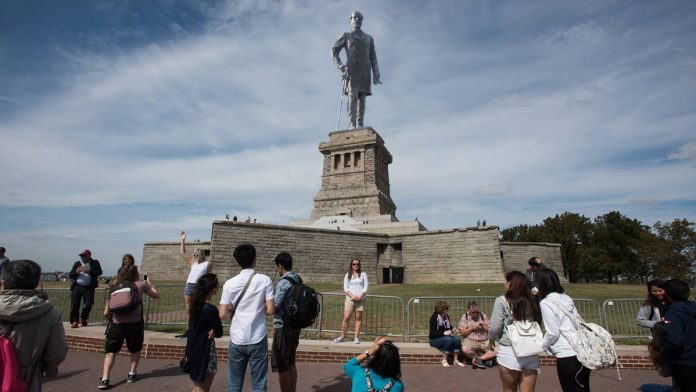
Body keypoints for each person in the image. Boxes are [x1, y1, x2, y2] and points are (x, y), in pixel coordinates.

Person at [0, 259, 67, 391]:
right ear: (36, 282)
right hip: (26, 378)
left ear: (4, 280)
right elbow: (57, 353)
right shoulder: (49, 312)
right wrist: (40, 367)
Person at [218, 244, 274, 392]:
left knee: (234, 385)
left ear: (237, 262)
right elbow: (270, 310)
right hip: (258, 336)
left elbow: (222, 314)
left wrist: (233, 311)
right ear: (254, 259)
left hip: (237, 337)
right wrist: (258, 306)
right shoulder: (265, 280)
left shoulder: (229, 284)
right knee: (259, 385)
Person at [99, 264, 159, 389]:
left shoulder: (114, 288)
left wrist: (112, 320)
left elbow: (106, 312)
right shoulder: (140, 285)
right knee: (135, 349)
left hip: (116, 324)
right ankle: (131, 374)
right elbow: (155, 295)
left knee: (111, 352)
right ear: (135, 274)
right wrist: (149, 283)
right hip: (135, 324)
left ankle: (105, 378)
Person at [535, 267, 591, 392]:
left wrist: (543, 346)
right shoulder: (566, 298)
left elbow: (552, 332)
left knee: (570, 388)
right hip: (582, 351)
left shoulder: (546, 302)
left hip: (566, 354)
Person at [489, 271, 540, 392]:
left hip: (510, 348)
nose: (504, 284)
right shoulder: (531, 300)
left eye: (506, 281)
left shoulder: (501, 300)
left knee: (509, 388)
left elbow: (495, 326)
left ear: (511, 284)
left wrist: (491, 340)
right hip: (529, 348)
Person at [331, 11, 381, 129]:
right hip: (351, 70)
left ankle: (360, 123)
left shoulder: (369, 38)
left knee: (362, 97)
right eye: (354, 17)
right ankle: (351, 124)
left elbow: (373, 56)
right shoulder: (346, 35)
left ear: (362, 20)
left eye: (359, 18)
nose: (356, 19)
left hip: (364, 71)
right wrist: (340, 65)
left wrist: (376, 73)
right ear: (350, 20)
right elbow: (334, 50)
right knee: (352, 96)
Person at [271, 252, 303, 392]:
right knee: (291, 362)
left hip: (283, 326)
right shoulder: (297, 278)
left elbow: (275, 306)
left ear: (280, 266)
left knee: (282, 365)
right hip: (295, 325)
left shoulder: (284, 282)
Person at [187, 273, 223, 392]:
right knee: (203, 387)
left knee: (197, 385)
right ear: (212, 289)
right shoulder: (211, 310)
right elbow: (219, 331)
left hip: (194, 348)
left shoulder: (195, 305)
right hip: (205, 350)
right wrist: (213, 329)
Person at [662, 279, 696, 391]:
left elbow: (675, 340)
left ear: (668, 294)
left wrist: (664, 349)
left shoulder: (673, 312)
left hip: (685, 362)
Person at [179, 231, 211, 338]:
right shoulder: (192, 262)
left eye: (198, 254)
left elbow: (209, 277)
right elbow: (183, 253)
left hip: (199, 287)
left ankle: (199, 328)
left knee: (200, 308)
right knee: (188, 309)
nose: (197, 255)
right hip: (189, 286)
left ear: (202, 255)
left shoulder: (207, 264)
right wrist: (182, 240)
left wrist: (208, 289)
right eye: (195, 254)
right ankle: (189, 329)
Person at [335, 258, 368, 344]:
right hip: (350, 299)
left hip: (361, 300)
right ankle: (342, 337)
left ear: (359, 265)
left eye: (357, 264)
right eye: (354, 264)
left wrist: (360, 296)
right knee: (346, 318)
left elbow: (365, 287)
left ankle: (356, 337)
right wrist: (352, 296)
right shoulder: (348, 275)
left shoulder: (363, 274)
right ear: (351, 265)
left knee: (358, 318)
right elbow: (345, 288)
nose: (356, 265)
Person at [68, 249, 103, 328]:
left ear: (89, 255)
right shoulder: (77, 263)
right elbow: (71, 275)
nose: (82, 257)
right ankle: (74, 321)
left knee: (88, 304)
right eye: (81, 256)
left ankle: (84, 317)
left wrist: (89, 271)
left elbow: (100, 272)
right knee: (74, 305)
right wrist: (76, 272)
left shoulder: (95, 263)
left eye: (84, 256)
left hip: (89, 287)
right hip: (77, 287)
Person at [640, 322, 678, 392]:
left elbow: (665, 373)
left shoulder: (668, 350)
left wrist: (655, 355)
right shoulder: (683, 344)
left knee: (645, 387)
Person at [458, 300, 496, 369]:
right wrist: (472, 328)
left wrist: (484, 327)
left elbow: (491, 330)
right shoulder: (465, 317)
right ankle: (485, 360)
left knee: (498, 349)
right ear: (469, 310)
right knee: (464, 349)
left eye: (476, 312)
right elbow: (461, 332)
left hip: (484, 340)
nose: (475, 314)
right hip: (471, 340)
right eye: (473, 312)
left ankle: (479, 359)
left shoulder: (482, 315)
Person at [429, 300, 464, 368]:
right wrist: (444, 333)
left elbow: (448, 326)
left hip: (444, 337)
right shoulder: (434, 317)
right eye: (446, 309)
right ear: (442, 309)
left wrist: (453, 329)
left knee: (457, 339)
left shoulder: (446, 316)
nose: (447, 310)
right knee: (448, 340)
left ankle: (455, 360)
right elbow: (433, 333)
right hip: (434, 339)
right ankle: (444, 360)